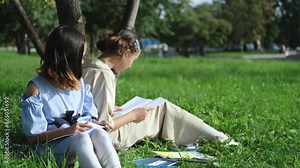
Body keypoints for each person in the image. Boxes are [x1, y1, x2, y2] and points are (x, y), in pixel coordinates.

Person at [82, 29, 230, 150]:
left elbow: (90, 108)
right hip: (106, 139)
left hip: (90, 133)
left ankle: (217, 138)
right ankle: (221, 140)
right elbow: (102, 126)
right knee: (161, 108)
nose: (131, 66)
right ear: (125, 53)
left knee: (156, 108)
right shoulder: (104, 74)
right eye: (133, 60)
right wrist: (133, 115)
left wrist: (110, 108)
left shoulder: (89, 66)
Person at [20, 25, 121, 168]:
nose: (82, 62)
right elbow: (32, 138)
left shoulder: (77, 82)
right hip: (52, 147)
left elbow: (88, 115)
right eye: (81, 56)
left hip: (78, 139)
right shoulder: (36, 89)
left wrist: (98, 123)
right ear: (67, 58)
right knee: (82, 139)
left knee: (100, 134)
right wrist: (68, 131)